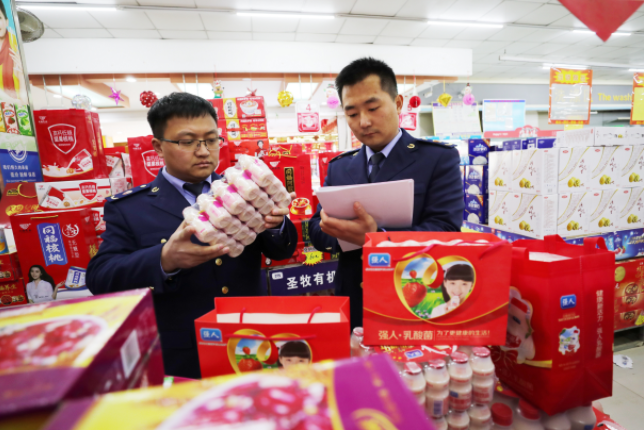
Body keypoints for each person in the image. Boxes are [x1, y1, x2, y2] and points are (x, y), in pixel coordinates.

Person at [87, 93, 298, 379]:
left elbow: (282, 251)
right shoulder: (130, 208)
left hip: (249, 340)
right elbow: (100, 277)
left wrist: (276, 223)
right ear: (158, 147)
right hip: (184, 355)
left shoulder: (243, 190)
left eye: (211, 140)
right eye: (187, 142)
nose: (203, 151)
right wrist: (164, 259)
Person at [308, 57, 464, 329]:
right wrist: (336, 231)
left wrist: (377, 238)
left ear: (398, 103)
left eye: (373, 108)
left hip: (414, 298)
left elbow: (447, 230)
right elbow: (316, 229)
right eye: (352, 114)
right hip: (354, 300)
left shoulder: (437, 159)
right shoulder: (340, 167)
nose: (364, 122)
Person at [0, 1, 27, 105]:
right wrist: (13, 101)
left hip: (14, 112)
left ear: (6, 21)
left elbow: (24, 102)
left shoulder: (15, 48)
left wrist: (21, 73)